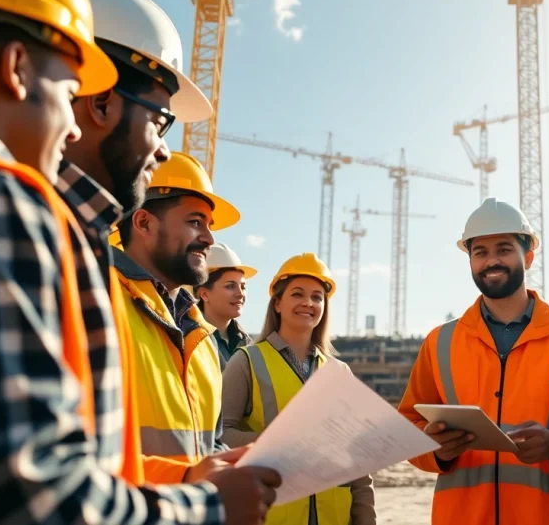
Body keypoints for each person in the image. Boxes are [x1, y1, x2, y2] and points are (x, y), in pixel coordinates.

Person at [0, 0, 278, 524]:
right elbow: (24, 494)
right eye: (68, 92)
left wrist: (186, 476)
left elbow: (75, 459)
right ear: (15, 69)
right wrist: (206, 509)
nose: (165, 150)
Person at [57, 0, 282, 521]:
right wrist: (198, 501)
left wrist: (191, 477)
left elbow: (100, 467)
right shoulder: (78, 273)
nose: (162, 148)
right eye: (160, 121)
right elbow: (36, 487)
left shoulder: (200, 337)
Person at [398, 197, 549, 525]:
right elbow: (406, 425)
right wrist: (435, 449)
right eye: (480, 252)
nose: (491, 260)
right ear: (470, 261)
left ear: (529, 257)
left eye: (504, 249)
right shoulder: (440, 342)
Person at [113, 151, 242, 485]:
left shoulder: (201, 335)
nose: (210, 239)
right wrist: (185, 479)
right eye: (195, 222)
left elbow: (206, 446)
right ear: (143, 223)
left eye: (209, 226)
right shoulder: (101, 301)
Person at [220, 252, 377, 524]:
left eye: (317, 297)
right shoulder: (246, 361)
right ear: (278, 303)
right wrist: (279, 442)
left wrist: (365, 520)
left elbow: (359, 463)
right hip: (272, 515)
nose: (308, 302)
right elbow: (220, 437)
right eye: (298, 294)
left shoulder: (340, 372)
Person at [197, 243, 257, 371]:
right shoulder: (188, 340)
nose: (240, 293)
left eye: (243, 286)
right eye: (230, 286)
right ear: (204, 294)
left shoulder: (249, 345)